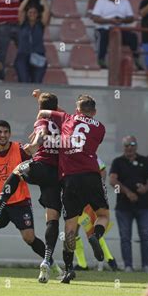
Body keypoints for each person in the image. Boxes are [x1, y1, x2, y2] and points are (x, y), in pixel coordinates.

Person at [0, 91, 63, 283]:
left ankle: (51, 263)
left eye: (6, 132)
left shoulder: (19, 149)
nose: (2, 135)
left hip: (20, 202)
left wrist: (34, 144)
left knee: (29, 238)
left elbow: (34, 156)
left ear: (10, 134)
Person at [36, 95, 110, 284]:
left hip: (69, 179)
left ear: (77, 110)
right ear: (94, 112)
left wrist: (42, 113)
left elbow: (46, 111)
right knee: (102, 215)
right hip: (92, 175)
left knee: (70, 227)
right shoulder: (100, 127)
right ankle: (96, 235)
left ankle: (68, 271)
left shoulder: (67, 118)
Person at [109, 136, 148, 272]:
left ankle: (147, 265)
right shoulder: (118, 162)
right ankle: (128, 266)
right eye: (126, 145)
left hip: (144, 206)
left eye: (131, 145)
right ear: (123, 147)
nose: (129, 148)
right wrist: (127, 192)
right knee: (125, 237)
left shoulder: (145, 161)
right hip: (123, 206)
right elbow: (112, 180)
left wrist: (146, 188)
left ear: (136, 146)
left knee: (146, 236)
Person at [74, 158, 118, 271]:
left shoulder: (90, 155)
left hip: (86, 201)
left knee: (91, 231)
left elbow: (102, 170)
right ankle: (82, 263)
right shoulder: (68, 154)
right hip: (74, 198)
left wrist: (96, 188)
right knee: (73, 232)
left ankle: (109, 259)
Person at [91, 0, 142, 70]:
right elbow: (95, 18)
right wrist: (110, 21)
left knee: (133, 37)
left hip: (120, 29)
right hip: (104, 28)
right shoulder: (101, 1)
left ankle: (136, 60)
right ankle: (101, 60)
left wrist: (122, 20)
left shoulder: (124, 1)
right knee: (102, 35)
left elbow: (131, 18)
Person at [14, 0, 50, 83]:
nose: (32, 14)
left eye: (34, 12)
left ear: (37, 14)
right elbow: (20, 10)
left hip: (38, 54)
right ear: (27, 14)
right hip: (23, 55)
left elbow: (47, 11)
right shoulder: (23, 24)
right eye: (30, 12)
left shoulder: (40, 25)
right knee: (24, 81)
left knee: (37, 83)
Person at [0, 0, 24, 79]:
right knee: (1, 54)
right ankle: (0, 77)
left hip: (16, 24)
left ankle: (23, 75)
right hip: (4, 25)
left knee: (23, 50)